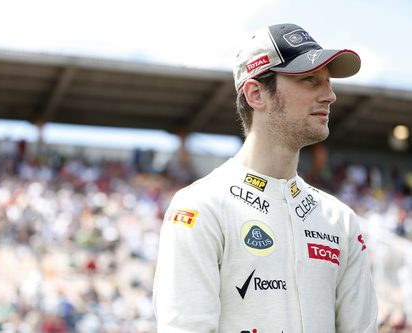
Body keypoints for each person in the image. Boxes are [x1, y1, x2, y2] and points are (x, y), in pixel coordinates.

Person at [153, 23, 378, 332]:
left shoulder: (341, 220)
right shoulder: (199, 207)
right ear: (256, 93)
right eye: (310, 80)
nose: (330, 95)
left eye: (327, 82)